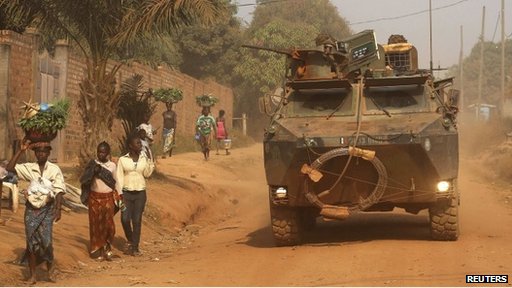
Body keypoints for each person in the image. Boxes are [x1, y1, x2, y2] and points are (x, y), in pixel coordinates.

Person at [5, 139, 66, 284]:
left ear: (49, 153)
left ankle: (50, 272)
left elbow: (59, 191)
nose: (41, 154)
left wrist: (58, 209)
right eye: (39, 151)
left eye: (44, 151)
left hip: (47, 209)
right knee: (32, 242)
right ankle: (32, 276)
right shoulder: (29, 167)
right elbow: (10, 168)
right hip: (31, 210)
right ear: (35, 153)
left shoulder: (54, 169)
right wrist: (21, 150)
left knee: (47, 241)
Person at [116, 133, 154, 256]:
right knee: (125, 219)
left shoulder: (143, 158)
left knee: (137, 220)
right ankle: (131, 240)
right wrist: (119, 194)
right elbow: (119, 177)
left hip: (140, 193)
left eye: (140, 143)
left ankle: (135, 247)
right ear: (131, 146)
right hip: (126, 193)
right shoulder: (123, 160)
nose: (140, 145)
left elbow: (147, 174)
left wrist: (149, 160)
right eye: (137, 143)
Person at [80, 141, 118, 261]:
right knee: (96, 224)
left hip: (108, 198)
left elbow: (115, 182)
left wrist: (120, 196)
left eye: (103, 152)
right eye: (99, 152)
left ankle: (108, 246)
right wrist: (93, 172)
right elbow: (84, 180)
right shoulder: (93, 164)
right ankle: (100, 250)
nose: (100, 154)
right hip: (94, 198)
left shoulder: (112, 166)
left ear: (108, 153)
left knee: (109, 225)